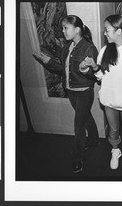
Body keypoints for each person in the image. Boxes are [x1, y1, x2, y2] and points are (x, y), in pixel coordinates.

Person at [32, 15, 100, 174]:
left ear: (77, 30)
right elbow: (63, 70)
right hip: (71, 91)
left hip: (84, 92)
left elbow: (94, 76)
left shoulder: (89, 48)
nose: (63, 31)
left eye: (65, 28)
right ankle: (94, 140)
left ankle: (77, 158)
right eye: (63, 28)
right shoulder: (67, 47)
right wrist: (47, 61)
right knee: (86, 117)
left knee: (79, 125)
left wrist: (87, 68)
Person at [80, 14, 122, 170]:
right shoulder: (105, 50)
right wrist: (95, 67)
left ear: (119, 31)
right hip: (109, 100)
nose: (105, 33)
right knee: (113, 129)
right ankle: (115, 150)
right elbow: (100, 77)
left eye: (107, 30)